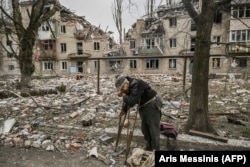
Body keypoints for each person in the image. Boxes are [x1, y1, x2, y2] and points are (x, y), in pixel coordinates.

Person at [115, 76, 162, 151]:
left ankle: (156, 150)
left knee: (153, 130)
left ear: (125, 83)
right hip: (143, 107)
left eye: (122, 88)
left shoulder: (136, 84)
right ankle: (149, 148)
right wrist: (124, 110)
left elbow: (132, 102)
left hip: (152, 104)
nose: (122, 90)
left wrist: (124, 96)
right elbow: (130, 99)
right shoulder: (129, 87)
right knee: (145, 129)